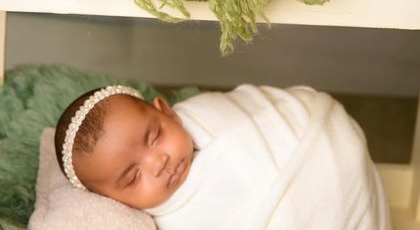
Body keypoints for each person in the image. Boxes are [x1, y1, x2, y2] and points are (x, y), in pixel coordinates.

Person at [55, 83, 391, 229]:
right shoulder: (165, 220)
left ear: (166, 111)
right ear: (110, 201)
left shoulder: (207, 113)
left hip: (322, 147)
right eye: (132, 177)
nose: (158, 163)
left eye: (155, 136)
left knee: (340, 148)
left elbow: (258, 113)